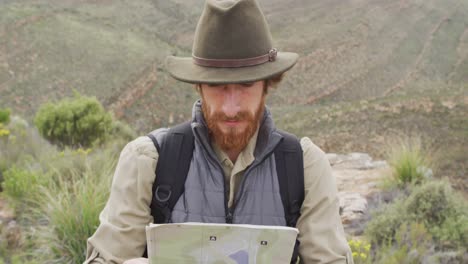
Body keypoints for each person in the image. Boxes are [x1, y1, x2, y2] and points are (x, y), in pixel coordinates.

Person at [85, 0, 353, 263]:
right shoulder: (147, 161)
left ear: (268, 84)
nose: (231, 107)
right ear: (199, 86)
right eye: (217, 86)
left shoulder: (304, 166)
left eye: (246, 84)